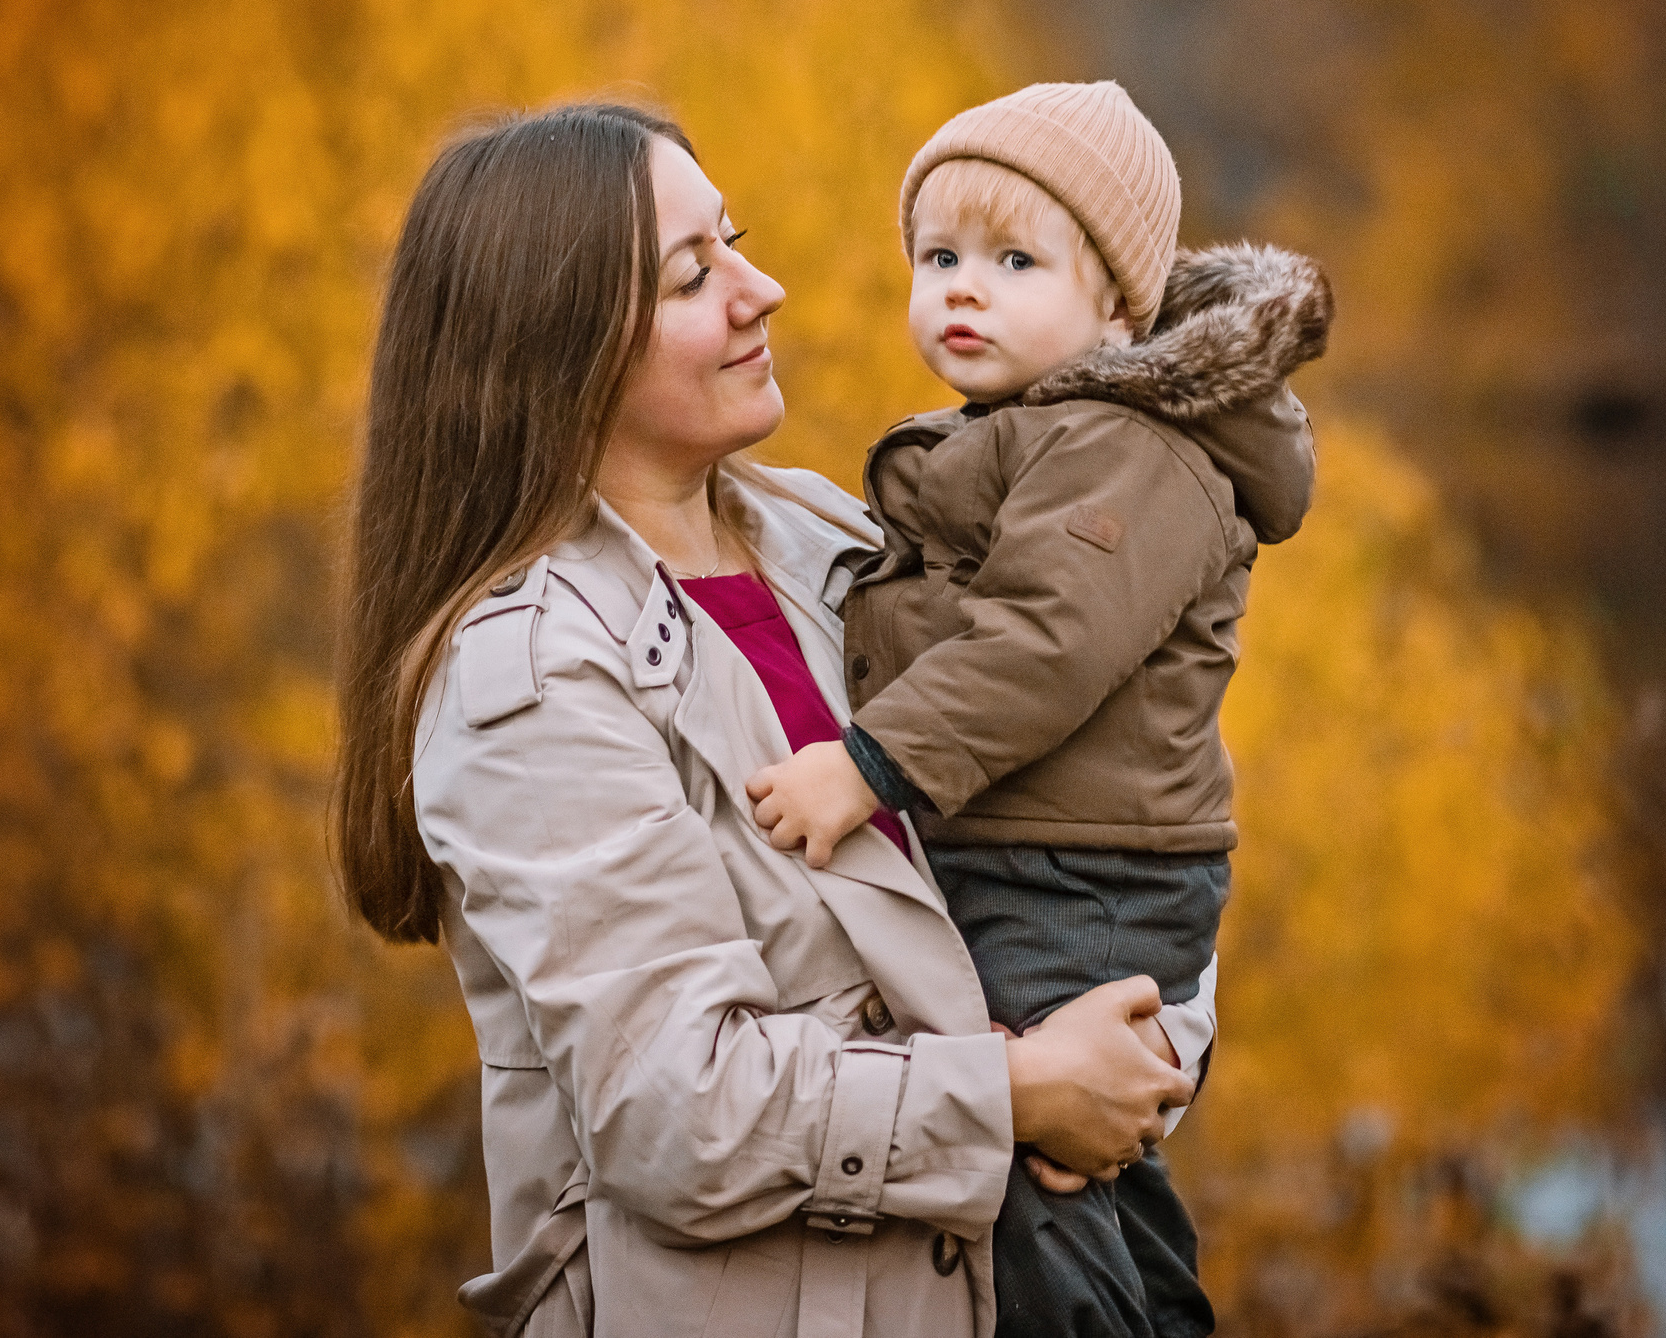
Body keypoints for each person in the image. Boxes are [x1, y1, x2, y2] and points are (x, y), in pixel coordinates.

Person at [330, 100, 1210, 1338]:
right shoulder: (526, 676)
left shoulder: (833, 537)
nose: (764, 290)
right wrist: (1017, 1092)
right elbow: (675, 1109)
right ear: (556, 345)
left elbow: (1111, 796)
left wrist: (1151, 1043)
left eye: (733, 242)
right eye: (695, 276)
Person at [747, 81, 1333, 1338]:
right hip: (1050, 852)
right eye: (940, 258)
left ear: (1119, 308)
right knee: (1089, 1172)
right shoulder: (1037, 430)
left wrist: (867, 765)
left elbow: (1047, 641)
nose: (965, 289)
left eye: (1015, 263)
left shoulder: (1125, 444)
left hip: (1083, 873)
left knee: (1029, 1160)